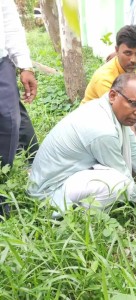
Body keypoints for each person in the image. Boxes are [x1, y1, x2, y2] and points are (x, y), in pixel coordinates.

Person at [28, 74, 136, 217]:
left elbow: (135, 149)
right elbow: (121, 175)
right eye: (133, 104)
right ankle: (82, 219)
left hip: (64, 180)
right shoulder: (103, 129)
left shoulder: (108, 110)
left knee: (123, 166)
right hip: (48, 196)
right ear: (112, 96)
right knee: (117, 182)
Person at [82, 25, 136, 149]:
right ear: (117, 50)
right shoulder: (104, 77)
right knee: (125, 133)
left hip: (122, 113)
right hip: (96, 122)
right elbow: (121, 115)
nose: (133, 59)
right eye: (128, 53)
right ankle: (131, 153)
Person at [1, 0, 38, 215]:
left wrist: (24, 64)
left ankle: (2, 183)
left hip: (1, 62)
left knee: (10, 121)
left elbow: (9, 21)